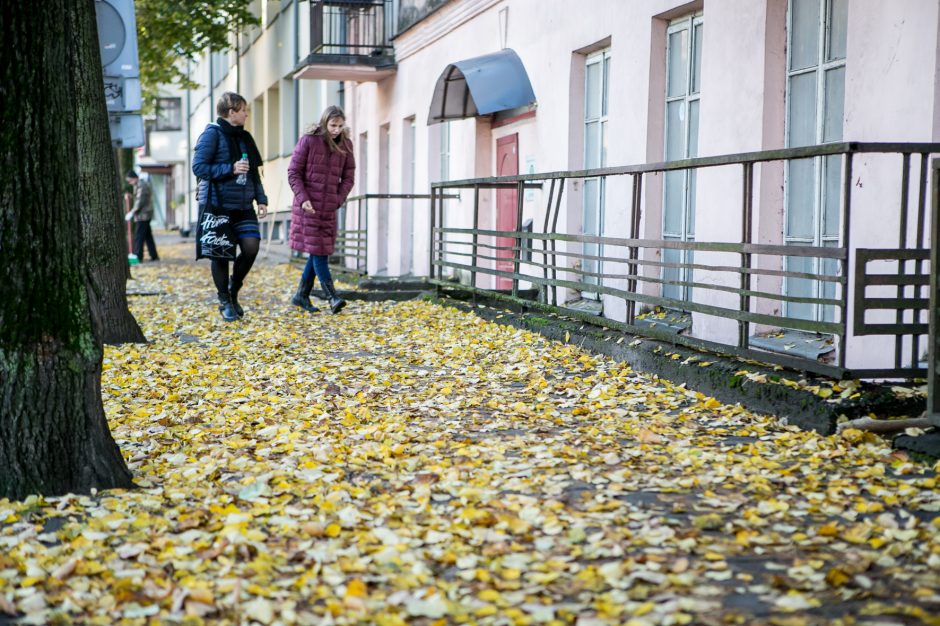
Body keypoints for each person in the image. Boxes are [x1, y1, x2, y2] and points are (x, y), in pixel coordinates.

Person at [192, 92, 268, 322]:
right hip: (218, 205)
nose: (246, 113)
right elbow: (199, 167)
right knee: (221, 254)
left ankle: (234, 289)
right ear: (231, 111)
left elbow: (253, 172)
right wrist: (230, 169)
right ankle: (225, 300)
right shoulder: (211, 134)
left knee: (251, 247)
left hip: (244, 204)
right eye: (243, 109)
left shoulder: (245, 137)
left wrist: (261, 199)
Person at [287, 105, 356, 315]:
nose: (336, 130)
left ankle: (301, 295)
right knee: (319, 252)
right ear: (325, 123)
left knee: (318, 251)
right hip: (307, 208)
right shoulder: (309, 140)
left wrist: (338, 199)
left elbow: (349, 176)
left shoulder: (346, 145)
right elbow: (293, 172)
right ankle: (332, 296)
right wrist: (303, 198)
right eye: (333, 125)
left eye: (340, 126)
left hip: (328, 209)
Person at [125, 170, 159, 262]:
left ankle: (138, 257)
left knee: (139, 236)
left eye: (130, 180)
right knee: (148, 236)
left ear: (134, 178)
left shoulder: (142, 185)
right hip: (144, 214)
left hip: (143, 215)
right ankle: (154, 256)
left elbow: (140, 201)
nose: (130, 183)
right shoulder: (138, 185)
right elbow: (138, 198)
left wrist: (132, 212)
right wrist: (131, 196)